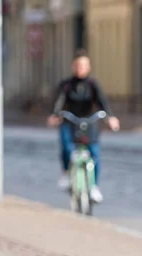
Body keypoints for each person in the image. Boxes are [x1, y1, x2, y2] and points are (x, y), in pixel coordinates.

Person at [47, 49, 120, 204]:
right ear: (73, 66)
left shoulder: (93, 85)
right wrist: (55, 115)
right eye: (78, 65)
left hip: (89, 122)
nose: (80, 68)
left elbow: (102, 102)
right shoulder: (66, 85)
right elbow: (59, 101)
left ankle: (93, 187)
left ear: (88, 67)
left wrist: (110, 117)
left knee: (94, 153)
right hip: (69, 121)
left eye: (84, 65)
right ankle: (67, 172)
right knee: (67, 147)